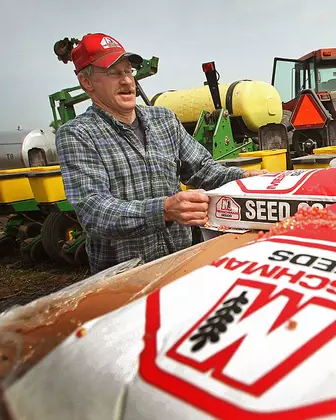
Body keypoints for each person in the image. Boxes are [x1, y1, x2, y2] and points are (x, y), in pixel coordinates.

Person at [55, 33, 268, 274]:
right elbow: (95, 211)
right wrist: (163, 210)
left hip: (181, 262)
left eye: (128, 71)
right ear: (87, 82)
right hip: (125, 277)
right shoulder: (77, 135)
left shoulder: (163, 120)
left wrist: (247, 180)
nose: (126, 81)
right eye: (114, 73)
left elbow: (203, 170)